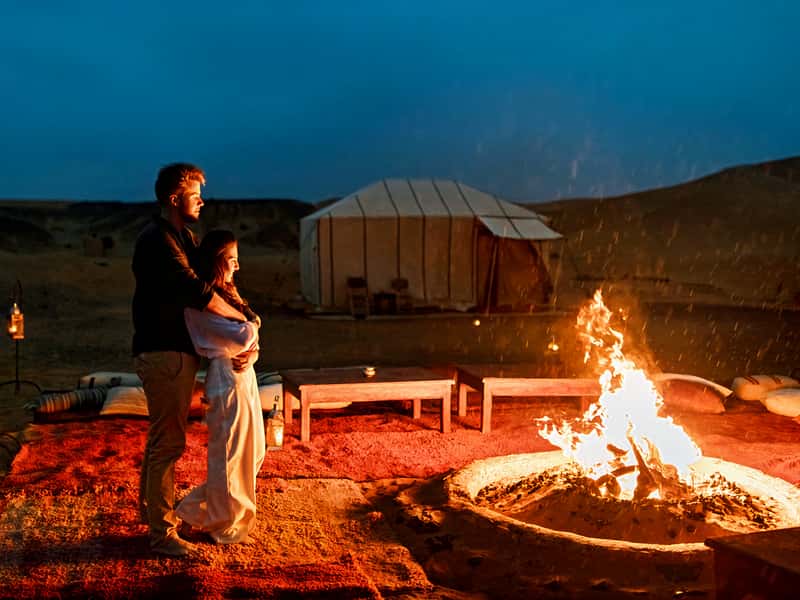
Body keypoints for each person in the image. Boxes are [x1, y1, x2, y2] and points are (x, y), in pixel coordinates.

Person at [132, 163, 255, 557]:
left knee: (161, 441)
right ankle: (161, 533)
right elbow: (196, 290)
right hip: (163, 351)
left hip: (175, 351)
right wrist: (245, 322)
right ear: (173, 198)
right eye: (194, 193)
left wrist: (245, 334)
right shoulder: (158, 239)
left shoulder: (182, 237)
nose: (202, 199)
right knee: (168, 443)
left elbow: (210, 285)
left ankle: (151, 515)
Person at [176, 230, 265, 544]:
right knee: (230, 456)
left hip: (244, 375)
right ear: (215, 263)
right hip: (225, 378)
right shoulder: (200, 304)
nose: (237, 267)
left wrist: (252, 348)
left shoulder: (228, 295)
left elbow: (248, 335)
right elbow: (243, 336)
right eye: (232, 260)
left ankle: (193, 512)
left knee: (253, 452)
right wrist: (251, 334)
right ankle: (221, 524)